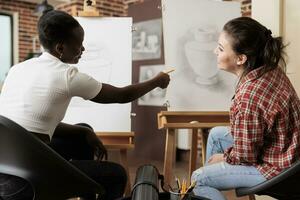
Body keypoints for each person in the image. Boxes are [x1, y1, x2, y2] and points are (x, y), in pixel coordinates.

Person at [0, 9, 170, 200]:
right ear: (60, 48)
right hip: (32, 176)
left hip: (6, 168)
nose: (83, 50)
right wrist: (157, 81)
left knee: (82, 131)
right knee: (116, 175)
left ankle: (83, 188)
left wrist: (85, 132)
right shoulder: (66, 75)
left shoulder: (17, 69)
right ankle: (77, 185)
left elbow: (31, 126)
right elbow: (122, 95)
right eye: (78, 45)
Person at [191, 17, 300, 200]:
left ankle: (210, 185)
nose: (214, 51)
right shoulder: (270, 69)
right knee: (217, 134)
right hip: (288, 151)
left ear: (241, 58)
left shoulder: (249, 96)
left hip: (278, 167)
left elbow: (246, 155)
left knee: (199, 179)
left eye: (220, 48)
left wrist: (225, 158)